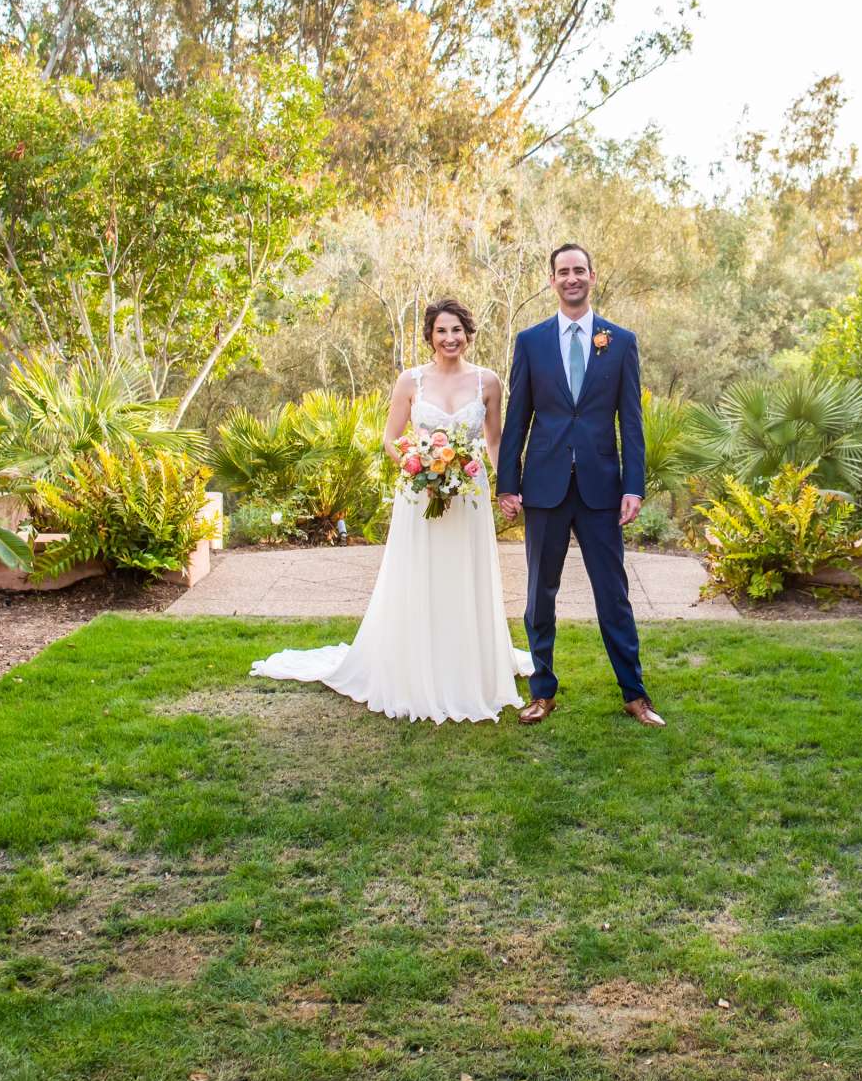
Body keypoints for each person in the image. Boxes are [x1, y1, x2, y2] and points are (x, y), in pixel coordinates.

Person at [248, 298, 531, 722]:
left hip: (468, 495)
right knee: (421, 575)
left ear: (468, 334)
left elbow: (494, 442)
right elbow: (390, 438)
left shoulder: (486, 383)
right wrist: (419, 468)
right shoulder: (410, 380)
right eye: (441, 331)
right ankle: (417, 668)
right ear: (430, 336)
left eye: (457, 330)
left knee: (463, 575)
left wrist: (506, 486)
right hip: (420, 495)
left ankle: (468, 667)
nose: (449, 338)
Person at [495, 243, 662, 727]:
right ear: (552, 281)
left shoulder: (621, 341)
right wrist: (509, 484)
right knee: (538, 595)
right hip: (544, 488)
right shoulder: (531, 341)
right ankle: (542, 691)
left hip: (601, 490)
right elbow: (517, 419)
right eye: (563, 272)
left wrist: (634, 486)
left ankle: (635, 693)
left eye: (579, 271)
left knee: (613, 594)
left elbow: (630, 421)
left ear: (592, 277)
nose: (572, 278)